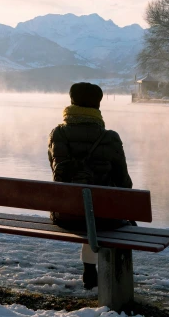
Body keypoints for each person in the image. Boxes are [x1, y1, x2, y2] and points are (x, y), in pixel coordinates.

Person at [47, 82, 133, 290]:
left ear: (71, 102)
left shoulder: (58, 134)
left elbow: (58, 172)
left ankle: (89, 268)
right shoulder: (110, 138)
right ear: (98, 105)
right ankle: (102, 272)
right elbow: (124, 182)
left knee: (86, 207)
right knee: (96, 212)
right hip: (104, 218)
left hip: (65, 215)